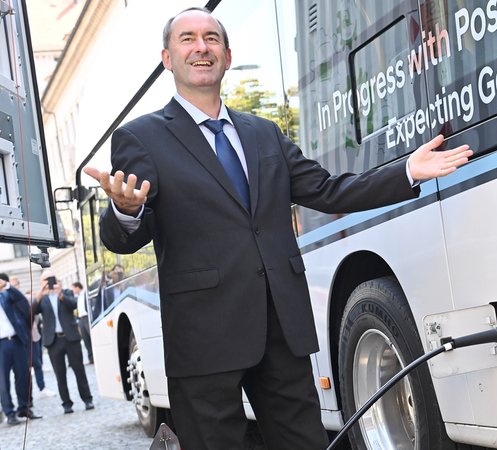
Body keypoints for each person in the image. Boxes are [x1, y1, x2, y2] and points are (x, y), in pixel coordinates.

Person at [83, 7, 472, 449]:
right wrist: (125, 209)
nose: (201, 47)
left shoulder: (264, 133)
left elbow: (327, 190)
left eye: (211, 38)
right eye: (187, 39)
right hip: (204, 336)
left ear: (227, 56)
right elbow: (123, 238)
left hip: (281, 330)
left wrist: (406, 171)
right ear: (168, 59)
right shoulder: (140, 137)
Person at [32, 271, 94, 414]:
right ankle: (66, 403)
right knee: (60, 374)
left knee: (79, 370)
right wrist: (41, 293)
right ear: (42, 282)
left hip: (71, 338)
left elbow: (73, 305)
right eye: (46, 280)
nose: (49, 282)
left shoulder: (66, 292)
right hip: (54, 341)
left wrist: (60, 295)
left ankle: (87, 399)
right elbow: (33, 311)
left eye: (51, 279)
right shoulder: (42, 298)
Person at [0, 273, 39, 424]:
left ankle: (24, 408)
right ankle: (9, 413)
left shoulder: (5, 296)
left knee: (23, 376)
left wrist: (7, 285)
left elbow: (22, 301)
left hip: (16, 341)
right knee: (3, 381)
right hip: (1, 345)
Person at [71, 282, 93, 364]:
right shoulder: (77, 297)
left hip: (87, 317)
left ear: (77, 287)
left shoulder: (85, 294)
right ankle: (91, 358)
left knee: (91, 337)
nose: (72, 290)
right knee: (85, 339)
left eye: (73, 288)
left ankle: (95, 356)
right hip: (81, 319)